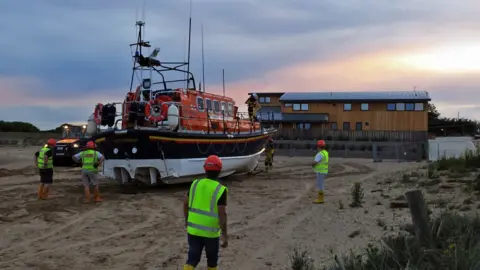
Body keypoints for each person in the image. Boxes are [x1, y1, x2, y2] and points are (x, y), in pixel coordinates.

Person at [183, 155, 228, 270]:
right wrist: (224, 234)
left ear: (205, 169)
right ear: (220, 170)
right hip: (211, 233)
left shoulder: (195, 184)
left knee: (192, 258)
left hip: (193, 230)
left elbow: (185, 203)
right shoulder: (220, 189)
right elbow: (222, 214)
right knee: (212, 262)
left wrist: (187, 221)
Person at [312, 140, 329, 204]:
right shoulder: (325, 153)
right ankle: (320, 198)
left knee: (320, 185)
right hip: (324, 171)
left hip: (320, 172)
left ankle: (320, 199)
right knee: (321, 184)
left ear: (318, 146)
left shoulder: (319, 154)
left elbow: (315, 162)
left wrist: (312, 164)